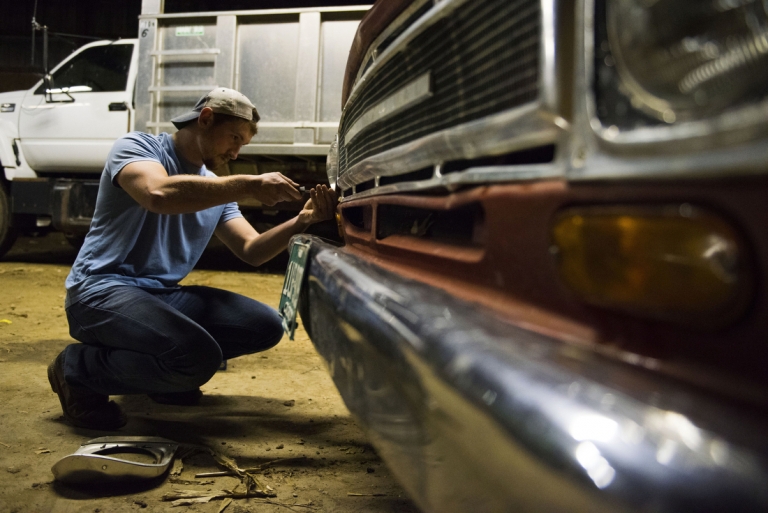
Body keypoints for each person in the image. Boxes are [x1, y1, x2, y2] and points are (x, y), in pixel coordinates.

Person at [47, 87, 337, 430]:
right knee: (196, 358)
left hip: (161, 296)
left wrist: (302, 220)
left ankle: (162, 377)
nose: (236, 150)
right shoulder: (138, 148)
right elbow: (158, 195)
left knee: (265, 326)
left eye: (243, 143)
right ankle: (76, 370)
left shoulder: (216, 186)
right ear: (205, 118)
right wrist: (248, 185)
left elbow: (252, 250)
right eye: (233, 137)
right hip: (100, 291)